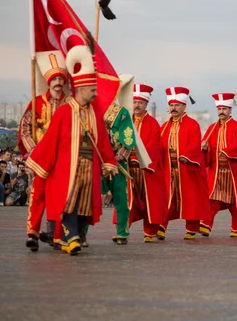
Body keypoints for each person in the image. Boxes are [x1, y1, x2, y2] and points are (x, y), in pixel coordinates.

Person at [26, 45, 118, 254]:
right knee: (66, 200)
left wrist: (108, 162)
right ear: (81, 89)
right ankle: (65, 236)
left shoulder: (95, 111)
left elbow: (102, 139)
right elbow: (49, 141)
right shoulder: (62, 111)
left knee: (82, 204)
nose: (96, 93)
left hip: (88, 166)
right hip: (63, 167)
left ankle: (69, 237)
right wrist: (38, 160)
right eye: (93, 89)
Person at [19, 52, 69, 248]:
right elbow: (24, 127)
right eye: (54, 78)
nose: (57, 81)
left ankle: (57, 235)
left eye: (60, 78)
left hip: (63, 158)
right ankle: (32, 232)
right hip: (41, 157)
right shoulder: (37, 101)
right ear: (48, 81)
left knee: (60, 197)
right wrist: (34, 151)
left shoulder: (70, 104)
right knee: (37, 194)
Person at [159, 87, 210, 240]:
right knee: (167, 197)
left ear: (184, 106)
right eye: (172, 105)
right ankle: (161, 225)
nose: (174, 108)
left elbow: (195, 145)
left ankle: (192, 227)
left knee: (190, 198)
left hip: (187, 167)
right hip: (169, 168)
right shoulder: (164, 127)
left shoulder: (192, 124)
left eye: (177, 105)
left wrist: (187, 157)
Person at [200, 93, 237, 237]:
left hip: (232, 170)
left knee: (235, 202)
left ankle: (235, 228)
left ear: (230, 110)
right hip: (216, 170)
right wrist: (204, 148)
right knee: (213, 199)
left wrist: (225, 151)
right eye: (219, 108)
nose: (221, 111)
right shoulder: (211, 128)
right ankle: (207, 224)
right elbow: (206, 144)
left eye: (224, 108)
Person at [128, 82, 167, 243]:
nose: (137, 106)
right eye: (135, 102)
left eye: (141, 103)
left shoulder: (152, 124)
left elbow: (154, 146)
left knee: (149, 200)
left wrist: (139, 159)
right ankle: (122, 229)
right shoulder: (125, 120)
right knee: (127, 200)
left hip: (146, 169)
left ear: (146, 105)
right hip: (128, 168)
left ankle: (150, 231)